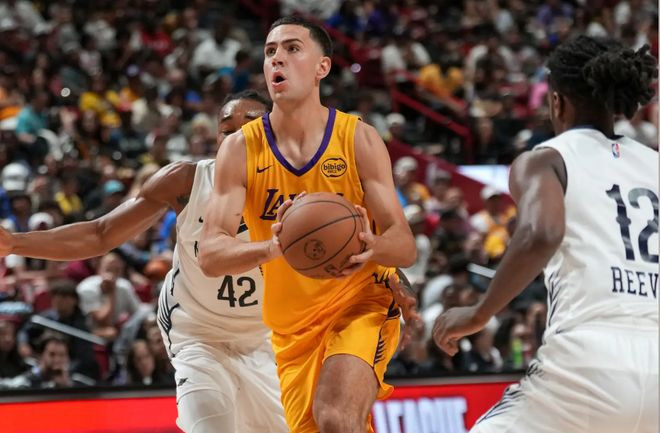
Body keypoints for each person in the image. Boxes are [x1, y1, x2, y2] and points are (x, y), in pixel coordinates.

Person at [0, 91, 289, 433]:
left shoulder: (300, 192)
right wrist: (15, 243)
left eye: (249, 127)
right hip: (197, 329)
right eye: (227, 130)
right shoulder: (186, 181)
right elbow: (100, 233)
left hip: (263, 335)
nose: (236, 137)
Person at [199, 17, 418, 433]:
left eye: (292, 48)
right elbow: (210, 254)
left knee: (335, 416)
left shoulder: (357, 138)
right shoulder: (240, 149)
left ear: (323, 67)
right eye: (270, 51)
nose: (277, 58)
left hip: (361, 302)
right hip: (291, 328)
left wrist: (371, 245)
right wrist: (273, 247)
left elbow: (404, 245)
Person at [433, 36, 658, 433]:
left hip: (588, 360)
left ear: (557, 102)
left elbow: (541, 232)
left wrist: (479, 312)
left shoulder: (546, 159)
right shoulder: (654, 164)